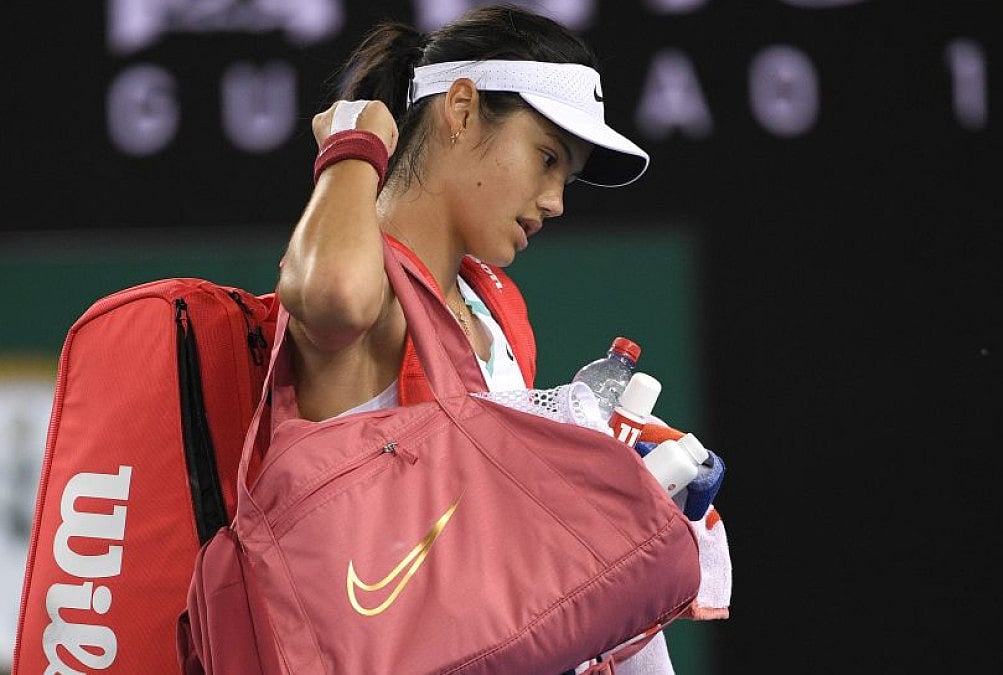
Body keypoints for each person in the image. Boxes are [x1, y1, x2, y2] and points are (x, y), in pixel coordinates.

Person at [276, 4, 729, 673]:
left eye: (565, 175)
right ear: (461, 108)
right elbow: (333, 296)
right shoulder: (367, 284)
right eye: (546, 158)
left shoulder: (495, 307)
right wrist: (353, 143)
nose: (555, 200)